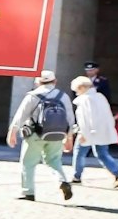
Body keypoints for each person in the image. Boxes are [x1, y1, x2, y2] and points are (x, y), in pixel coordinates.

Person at [7, 71, 75, 202]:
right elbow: (70, 118)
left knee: (28, 163)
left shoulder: (33, 95)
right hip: (57, 135)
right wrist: (69, 137)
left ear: (37, 82)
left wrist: (13, 131)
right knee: (54, 161)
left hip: (35, 134)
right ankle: (62, 181)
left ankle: (28, 192)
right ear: (55, 81)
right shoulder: (63, 96)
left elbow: (21, 115)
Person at [69, 75, 118, 185]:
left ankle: (76, 176)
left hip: (87, 131)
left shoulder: (84, 100)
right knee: (102, 154)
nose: (76, 92)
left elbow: (84, 119)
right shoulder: (100, 97)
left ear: (82, 87)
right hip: (102, 131)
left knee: (79, 153)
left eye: (77, 90)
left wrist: (82, 133)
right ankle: (117, 174)